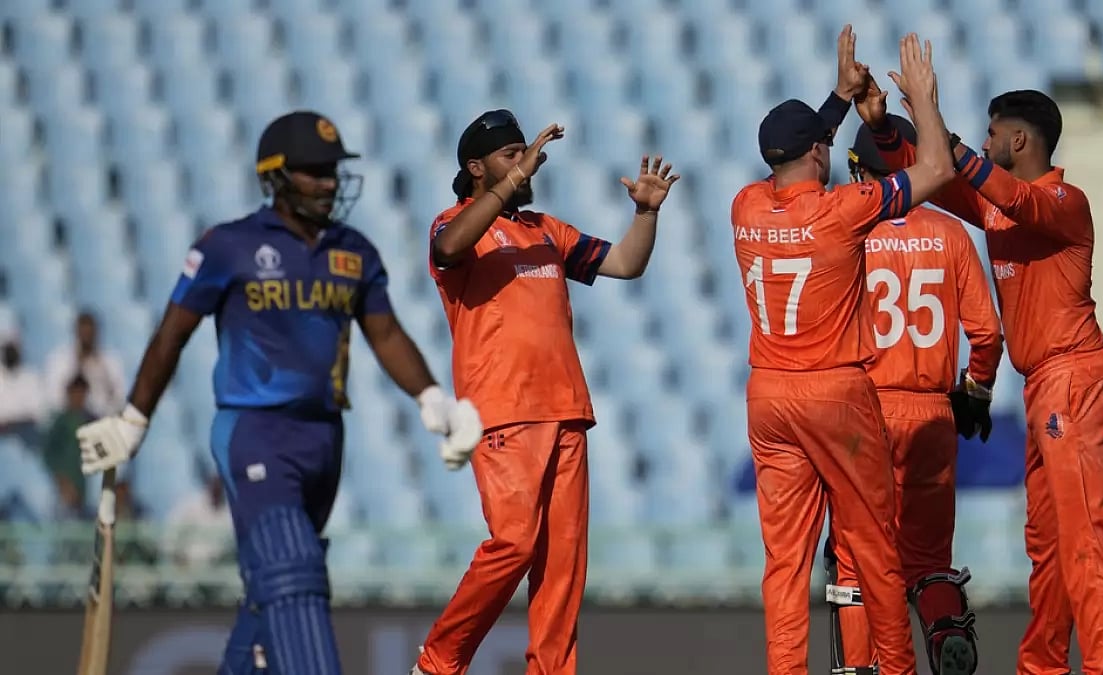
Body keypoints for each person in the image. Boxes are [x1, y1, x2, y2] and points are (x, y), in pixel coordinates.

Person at [75, 110, 483, 675]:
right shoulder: (229, 246)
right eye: (313, 171)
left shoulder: (354, 252)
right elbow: (173, 334)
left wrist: (434, 401)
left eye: (332, 171)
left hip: (323, 437)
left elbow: (385, 334)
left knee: (272, 592)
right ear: (276, 177)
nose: (328, 182)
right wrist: (132, 423)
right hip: (255, 432)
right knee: (293, 571)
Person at [861, 85, 1103, 675]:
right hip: (1042, 386)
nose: (984, 144)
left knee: (1082, 539)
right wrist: (886, 127)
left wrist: (934, 116)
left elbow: (1008, 193)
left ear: (1018, 140)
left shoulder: (1063, 200)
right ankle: (1042, 665)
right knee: (1048, 544)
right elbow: (927, 172)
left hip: (1074, 378)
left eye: (990, 134)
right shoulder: (994, 207)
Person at [411, 109, 679, 675]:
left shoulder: (546, 230)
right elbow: (448, 249)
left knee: (561, 566)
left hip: (566, 411)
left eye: (522, 153)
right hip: (504, 413)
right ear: (475, 168)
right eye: (509, 155)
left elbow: (626, 263)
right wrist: (511, 180)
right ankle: (438, 662)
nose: (525, 162)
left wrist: (646, 215)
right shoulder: (452, 222)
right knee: (513, 543)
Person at [731, 29, 956, 675]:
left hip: (768, 396)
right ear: (818, 151)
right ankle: (896, 667)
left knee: (785, 560)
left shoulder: (744, 205)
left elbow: (800, 153)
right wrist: (924, 103)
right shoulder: (844, 209)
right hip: (835, 393)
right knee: (872, 545)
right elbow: (936, 169)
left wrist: (834, 98)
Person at [825, 113, 1003, 675]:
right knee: (928, 557)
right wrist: (975, 389)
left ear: (861, 174)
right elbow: (988, 332)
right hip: (932, 410)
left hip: (867, 407)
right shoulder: (951, 234)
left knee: (855, 559)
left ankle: (862, 666)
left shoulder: (850, 230)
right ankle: (947, 630)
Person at [45, 311, 125, 416]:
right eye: (83, 333)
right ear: (76, 333)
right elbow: (53, 397)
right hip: (70, 418)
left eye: (90, 334)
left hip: (102, 417)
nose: (86, 338)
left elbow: (119, 396)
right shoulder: (60, 360)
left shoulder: (110, 361)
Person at [42, 374, 94, 516]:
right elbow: (48, 455)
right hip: (63, 486)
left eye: (82, 393)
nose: (78, 397)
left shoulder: (92, 420)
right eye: (75, 393)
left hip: (87, 485)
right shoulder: (60, 422)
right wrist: (62, 482)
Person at [0, 330, 45, 445]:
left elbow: (37, 414)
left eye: (13, 347)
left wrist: (13, 424)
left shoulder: (31, 377)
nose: (10, 352)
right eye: (7, 348)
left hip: (24, 433)